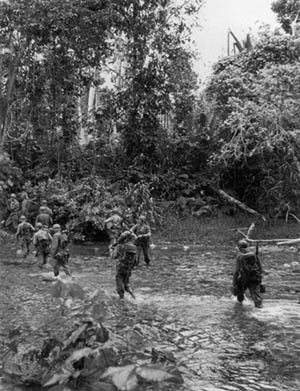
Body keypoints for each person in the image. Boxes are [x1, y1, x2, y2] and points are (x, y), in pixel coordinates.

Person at [232, 239, 264, 308]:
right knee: (256, 296)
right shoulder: (254, 254)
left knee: (239, 295)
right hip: (254, 278)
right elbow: (260, 268)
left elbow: (236, 271)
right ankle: (260, 309)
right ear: (247, 247)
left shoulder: (239, 257)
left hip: (243, 279)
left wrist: (234, 283)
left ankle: (240, 310)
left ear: (239, 248)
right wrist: (260, 278)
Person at [115, 231, 137, 299]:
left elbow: (114, 256)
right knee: (126, 283)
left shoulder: (121, 246)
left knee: (119, 282)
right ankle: (134, 297)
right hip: (129, 268)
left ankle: (121, 299)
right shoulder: (133, 247)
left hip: (121, 267)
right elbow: (135, 260)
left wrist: (111, 250)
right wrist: (132, 267)